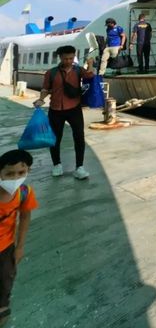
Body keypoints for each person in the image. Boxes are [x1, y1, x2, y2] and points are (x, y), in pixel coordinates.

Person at [34, 45, 94, 179]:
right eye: (66, 58)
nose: (68, 61)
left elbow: (90, 76)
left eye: (71, 58)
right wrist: (40, 99)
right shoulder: (51, 73)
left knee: (79, 137)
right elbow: (45, 89)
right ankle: (57, 165)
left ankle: (79, 167)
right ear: (60, 57)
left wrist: (90, 64)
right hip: (55, 110)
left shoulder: (79, 70)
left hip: (74, 109)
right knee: (55, 139)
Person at [0, 149, 38, 324]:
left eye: (21, 172)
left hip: (6, 247)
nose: (15, 178)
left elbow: (24, 217)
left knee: (6, 277)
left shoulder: (24, 193)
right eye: (9, 173)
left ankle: (2, 305)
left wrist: (20, 246)